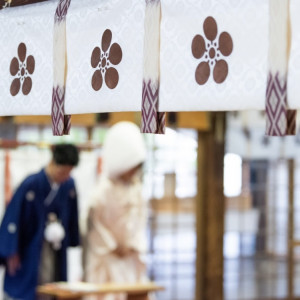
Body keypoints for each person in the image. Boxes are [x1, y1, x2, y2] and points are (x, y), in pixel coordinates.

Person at [0, 144, 80, 300]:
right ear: (53, 163)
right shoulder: (31, 184)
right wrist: (11, 250)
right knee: (26, 285)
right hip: (29, 247)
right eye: (62, 172)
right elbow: (13, 218)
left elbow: (72, 217)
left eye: (68, 173)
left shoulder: (69, 186)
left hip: (54, 247)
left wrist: (71, 237)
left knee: (53, 284)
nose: (65, 176)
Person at [84, 122, 148, 300]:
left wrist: (132, 244)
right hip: (107, 257)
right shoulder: (102, 191)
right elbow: (95, 225)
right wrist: (113, 246)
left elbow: (140, 221)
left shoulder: (136, 189)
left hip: (129, 257)